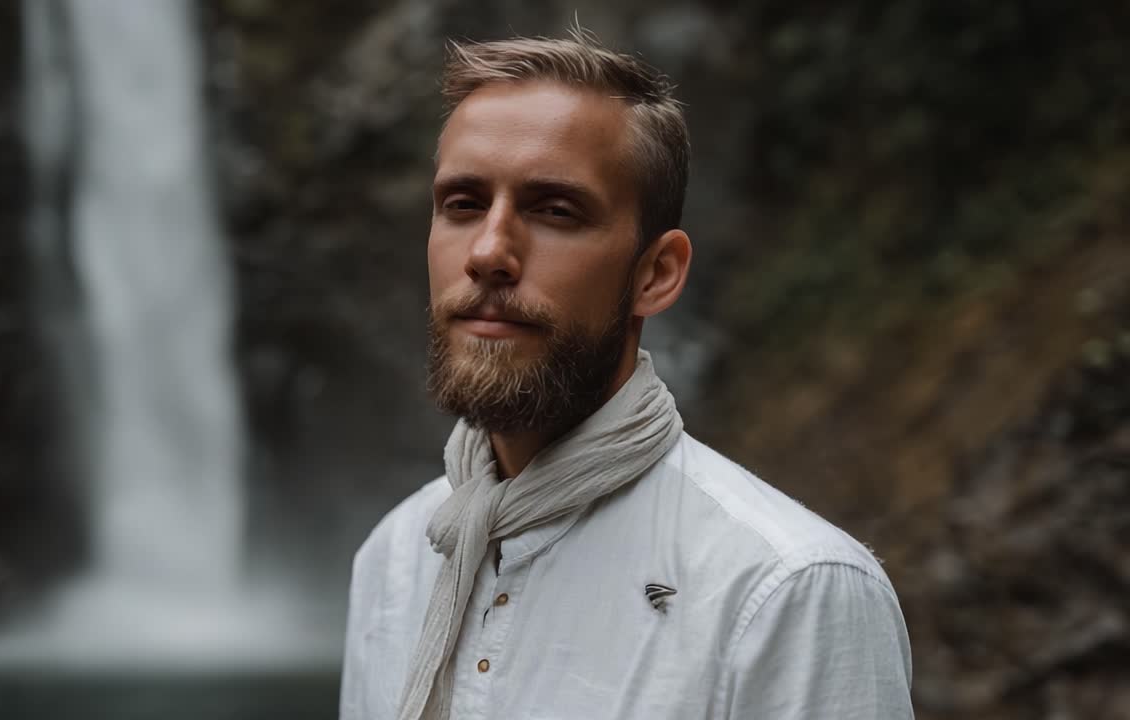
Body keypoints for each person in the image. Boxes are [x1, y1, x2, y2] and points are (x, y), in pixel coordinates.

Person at [340, 29, 914, 720]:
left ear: (656, 274)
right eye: (463, 204)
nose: (490, 251)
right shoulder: (396, 557)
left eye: (555, 210)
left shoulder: (789, 589)